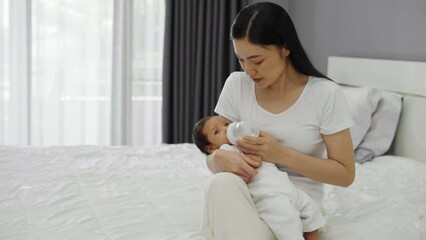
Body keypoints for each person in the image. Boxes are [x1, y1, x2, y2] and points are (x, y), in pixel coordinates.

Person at [200, 2, 355, 240]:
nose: (249, 71)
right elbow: (218, 143)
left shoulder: (324, 94)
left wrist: (280, 154)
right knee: (220, 184)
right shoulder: (236, 85)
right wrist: (215, 159)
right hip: (247, 194)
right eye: (241, 60)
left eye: (257, 60)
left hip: (293, 210)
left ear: (285, 48)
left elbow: (345, 175)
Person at [192, 116, 325, 240]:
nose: (226, 129)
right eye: (217, 132)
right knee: (287, 222)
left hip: (288, 188)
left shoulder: (243, 141)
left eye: (226, 124)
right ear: (211, 148)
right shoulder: (226, 151)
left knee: (312, 210)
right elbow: (249, 165)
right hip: (269, 196)